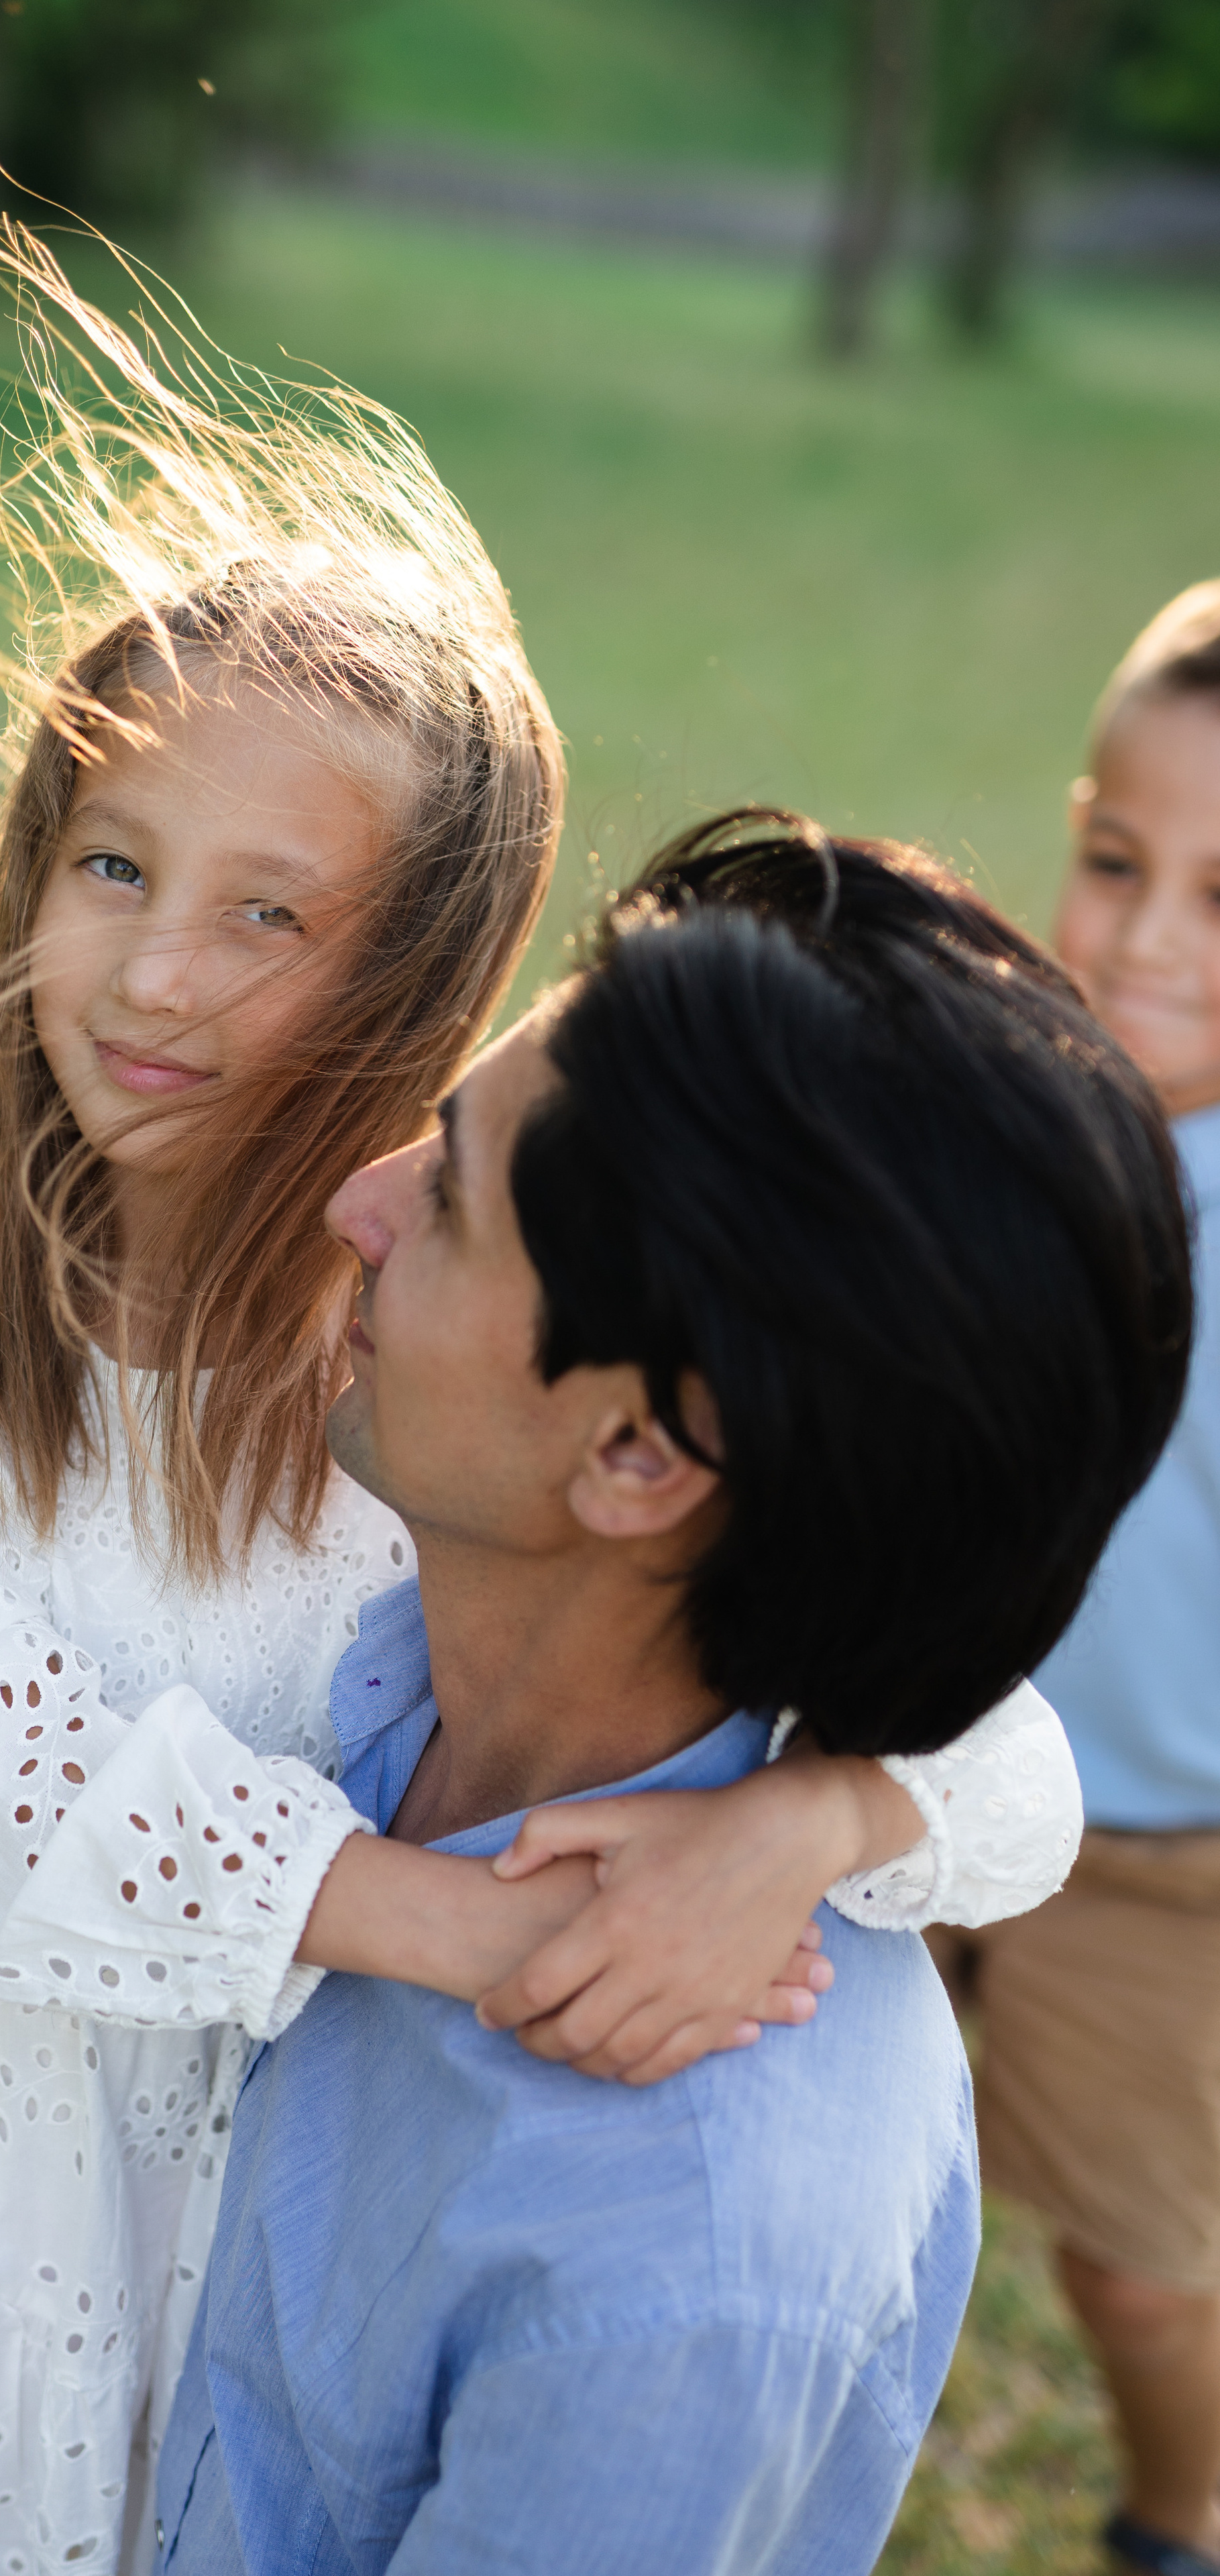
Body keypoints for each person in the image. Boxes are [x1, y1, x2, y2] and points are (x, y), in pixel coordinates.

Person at [0, 180, 1078, 2576]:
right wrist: (443, 1921)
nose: (150, 974)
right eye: (111, 863)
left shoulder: (425, 1362)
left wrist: (810, 1824)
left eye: (267, 916)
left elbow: (1007, 1742)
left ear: (418, 992)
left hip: (200, 2224)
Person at [159, 816, 1192, 2576]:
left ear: (639, 1455)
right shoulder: (333, 1613)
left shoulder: (680, 2270)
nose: (357, 1202)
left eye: (452, 1195)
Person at [932, 581, 1220, 2576]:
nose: (1139, 937)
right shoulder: (1007, 1108)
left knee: (1141, 2272)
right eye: (1116, 860)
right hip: (922, 1770)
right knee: (843, 2175)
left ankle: (1183, 2519)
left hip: (1169, 1855)